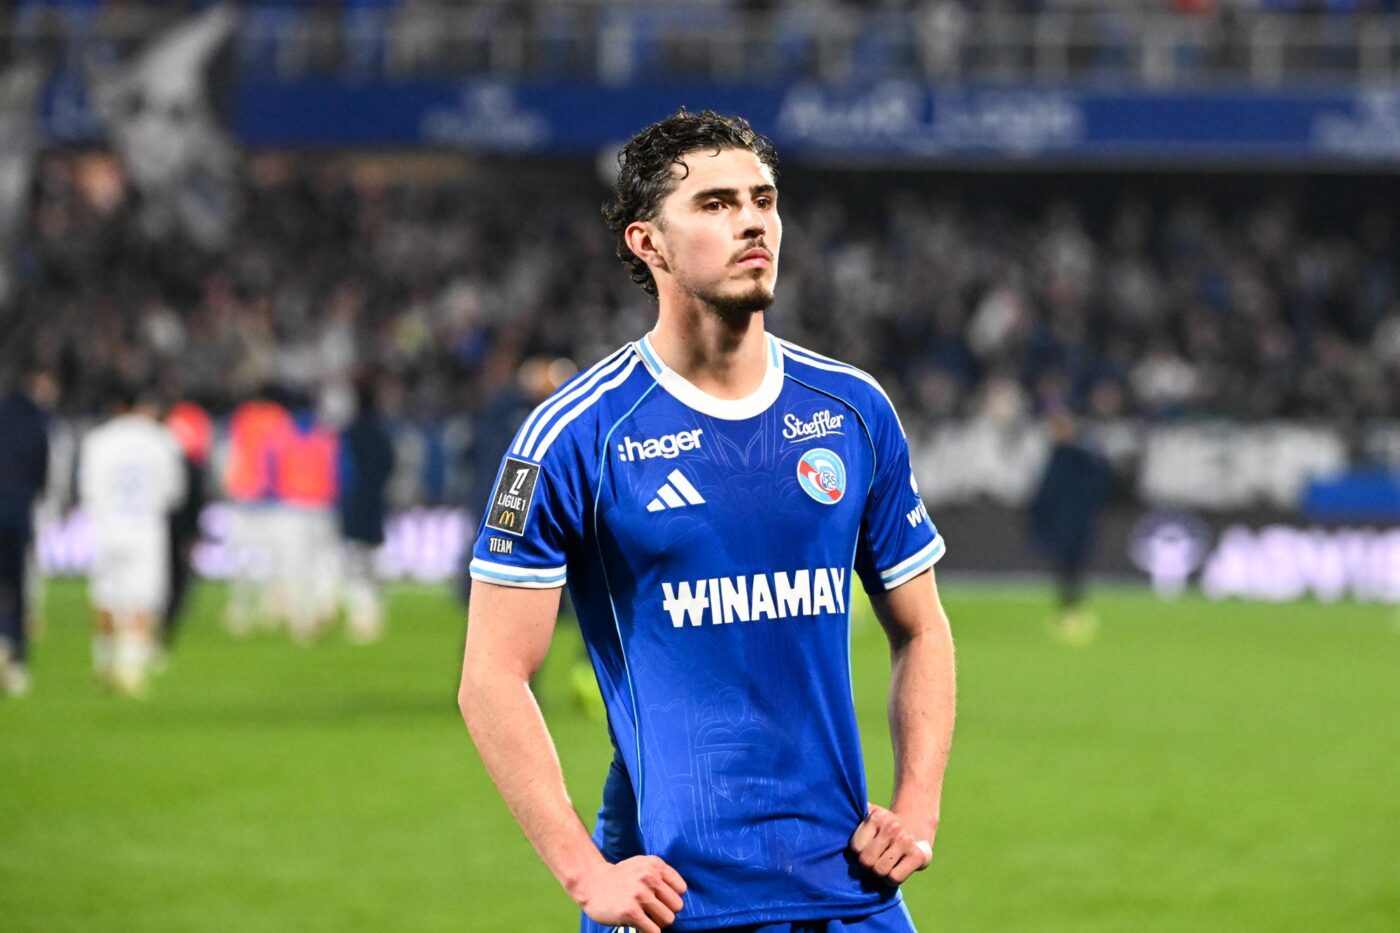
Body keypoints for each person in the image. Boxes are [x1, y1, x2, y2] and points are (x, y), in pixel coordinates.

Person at [458, 109, 957, 933]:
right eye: (717, 204)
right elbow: (491, 675)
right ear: (647, 242)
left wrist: (918, 806)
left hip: (849, 887)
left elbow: (923, 626)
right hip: (670, 900)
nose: (753, 221)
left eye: (763, 199)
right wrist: (586, 873)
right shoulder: (572, 435)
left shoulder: (853, 410)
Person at [80, 383, 185, 695]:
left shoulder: (97, 440)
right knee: (141, 599)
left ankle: (103, 660)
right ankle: (131, 667)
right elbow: (173, 493)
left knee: (105, 595)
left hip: (107, 527)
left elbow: (88, 491)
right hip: (145, 529)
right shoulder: (161, 439)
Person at [1028, 408, 1113, 646]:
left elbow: (1095, 488)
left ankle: (1073, 611)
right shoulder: (1059, 456)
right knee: (1065, 568)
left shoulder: (1079, 457)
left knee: (1074, 568)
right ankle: (1068, 610)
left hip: (1075, 522)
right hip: (1063, 522)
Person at [0, 366, 54, 697]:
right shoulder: (36, 424)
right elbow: (42, 475)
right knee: (18, 587)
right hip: (19, 515)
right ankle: (16, 653)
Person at [337, 378, 395, 643]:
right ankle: (373, 611)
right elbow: (389, 465)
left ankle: (363, 615)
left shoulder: (349, 433)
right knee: (371, 559)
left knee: (354, 562)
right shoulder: (381, 432)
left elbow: (341, 470)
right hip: (375, 503)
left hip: (353, 504)